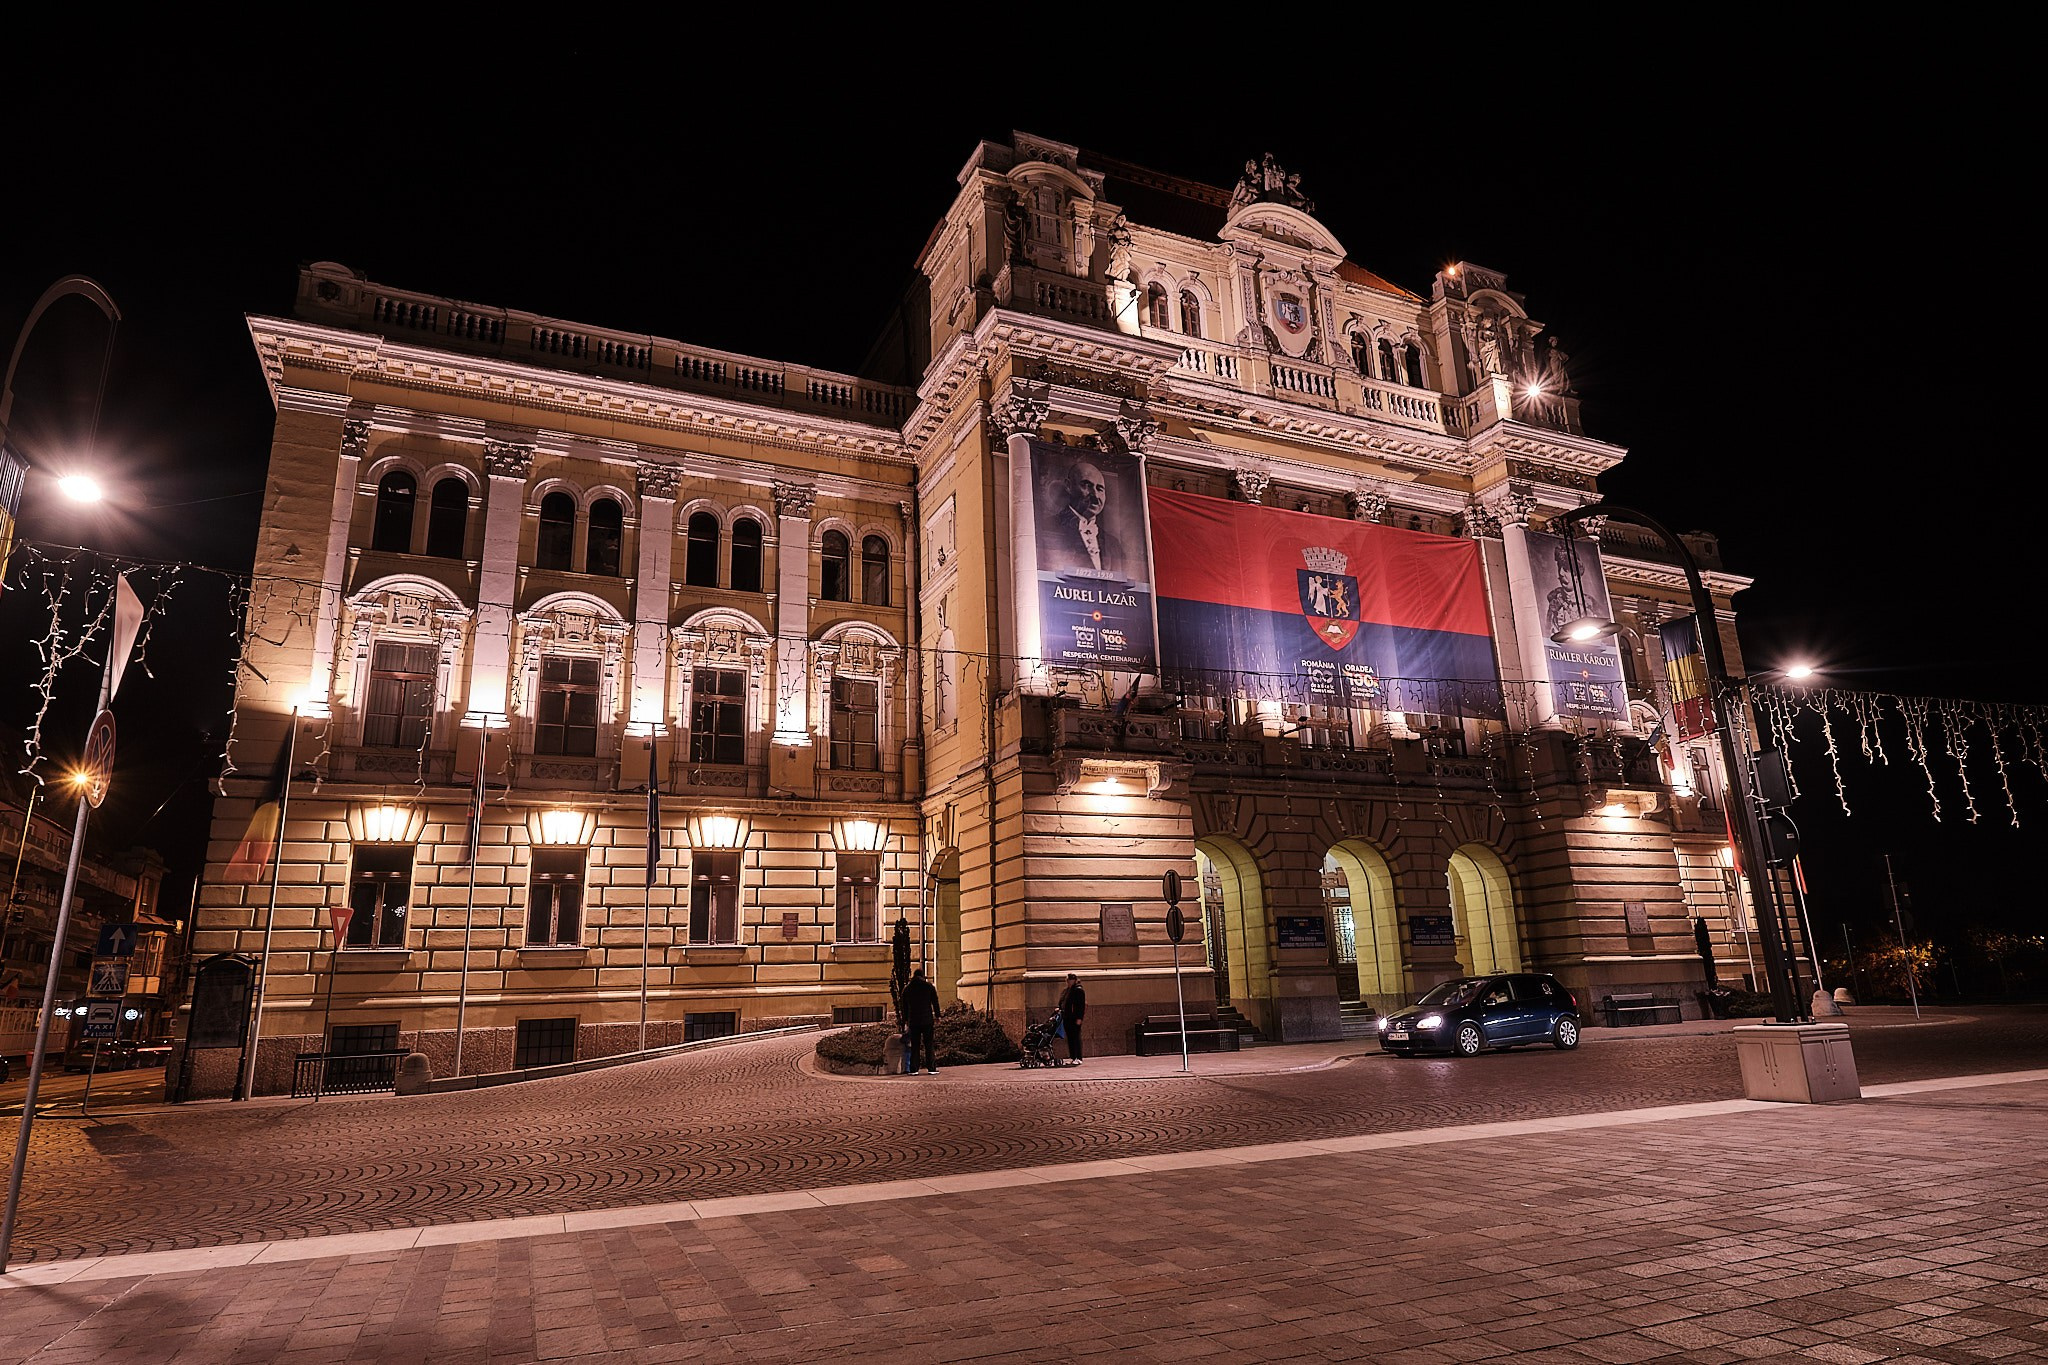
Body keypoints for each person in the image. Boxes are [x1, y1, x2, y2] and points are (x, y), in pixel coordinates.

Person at [1040, 459, 1128, 576]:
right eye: (1087, 486)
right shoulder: (1046, 528)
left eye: (1100, 489)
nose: (1095, 495)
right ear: (1068, 486)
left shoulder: (1114, 545)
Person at [901, 967, 940, 1075]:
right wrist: (938, 1016)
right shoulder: (929, 987)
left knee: (915, 1045)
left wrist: (905, 1020)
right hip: (927, 1020)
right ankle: (931, 1068)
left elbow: (904, 1007)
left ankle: (914, 1069)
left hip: (913, 1021)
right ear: (922, 976)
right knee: (929, 1044)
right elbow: (935, 1002)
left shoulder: (907, 989)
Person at [1056, 973, 1087, 1065]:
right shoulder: (1067, 991)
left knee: (1076, 1037)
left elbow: (1081, 1006)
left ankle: (1078, 1057)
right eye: (1067, 980)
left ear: (1075, 980)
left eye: (1070, 980)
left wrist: (1079, 1018)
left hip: (1074, 1017)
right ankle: (1073, 1056)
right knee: (1070, 1038)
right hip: (1067, 1017)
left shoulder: (1078, 990)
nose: (1068, 982)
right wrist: (1060, 1008)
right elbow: (1063, 1002)